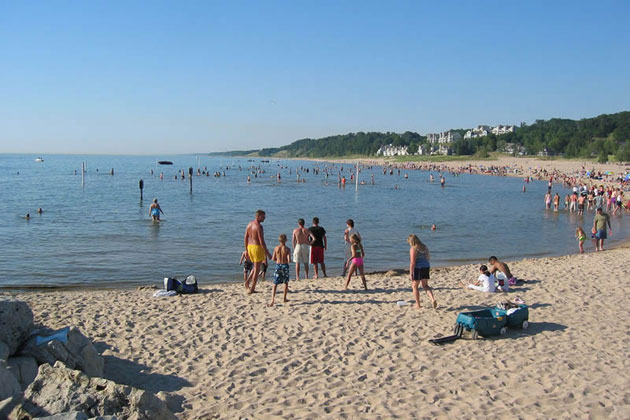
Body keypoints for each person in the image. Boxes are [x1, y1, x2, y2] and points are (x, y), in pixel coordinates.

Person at [244, 209, 272, 294]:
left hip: (250, 246)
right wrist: (268, 253)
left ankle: (247, 281)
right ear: (258, 216)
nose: (264, 218)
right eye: (263, 217)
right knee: (257, 269)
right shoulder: (259, 226)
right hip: (257, 247)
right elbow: (261, 241)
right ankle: (252, 289)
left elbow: (245, 237)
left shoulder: (249, 224)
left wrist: (246, 249)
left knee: (255, 266)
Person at [407, 234, 437, 310]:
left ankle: (418, 304)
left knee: (415, 286)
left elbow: (412, 262)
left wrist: (411, 273)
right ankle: (432, 299)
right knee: (425, 285)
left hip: (418, 268)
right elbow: (428, 257)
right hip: (426, 266)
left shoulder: (413, 249)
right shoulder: (424, 247)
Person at [269, 234, 291, 307]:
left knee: (275, 283)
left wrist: (277, 259)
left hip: (278, 265)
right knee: (285, 282)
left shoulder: (276, 248)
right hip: (285, 265)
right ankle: (284, 298)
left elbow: (273, 258)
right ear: (286, 240)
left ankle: (272, 299)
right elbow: (289, 260)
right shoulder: (287, 249)